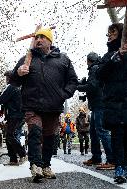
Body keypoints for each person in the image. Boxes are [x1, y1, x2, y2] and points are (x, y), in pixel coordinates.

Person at [10, 27, 78, 181]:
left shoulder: (63, 59)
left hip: (53, 106)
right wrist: (18, 73)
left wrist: (63, 94)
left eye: (43, 37)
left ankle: (46, 165)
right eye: (37, 37)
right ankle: (36, 165)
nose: (39, 40)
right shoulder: (26, 59)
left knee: (50, 138)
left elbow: (73, 81)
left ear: (50, 41)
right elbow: (13, 81)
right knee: (34, 132)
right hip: (32, 106)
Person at [98, 23, 127, 184]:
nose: (109, 36)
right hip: (113, 102)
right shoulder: (108, 56)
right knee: (117, 135)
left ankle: (125, 164)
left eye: (112, 32)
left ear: (121, 32)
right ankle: (119, 166)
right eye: (108, 33)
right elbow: (99, 74)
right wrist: (115, 58)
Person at [77, 52, 114, 170]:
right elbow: (94, 85)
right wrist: (84, 85)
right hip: (97, 105)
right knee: (93, 133)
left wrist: (78, 87)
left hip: (99, 105)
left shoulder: (94, 69)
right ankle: (96, 157)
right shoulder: (97, 68)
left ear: (89, 60)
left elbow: (93, 87)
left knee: (101, 131)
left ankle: (112, 159)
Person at [0, 70, 26, 166]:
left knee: (10, 135)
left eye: (7, 78)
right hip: (18, 116)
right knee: (9, 135)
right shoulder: (19, 87)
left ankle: (22, 153)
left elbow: (0, 100)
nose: (6, 80)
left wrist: (0, 97)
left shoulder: (11, 87)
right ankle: (13, 159)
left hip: (15, 115)